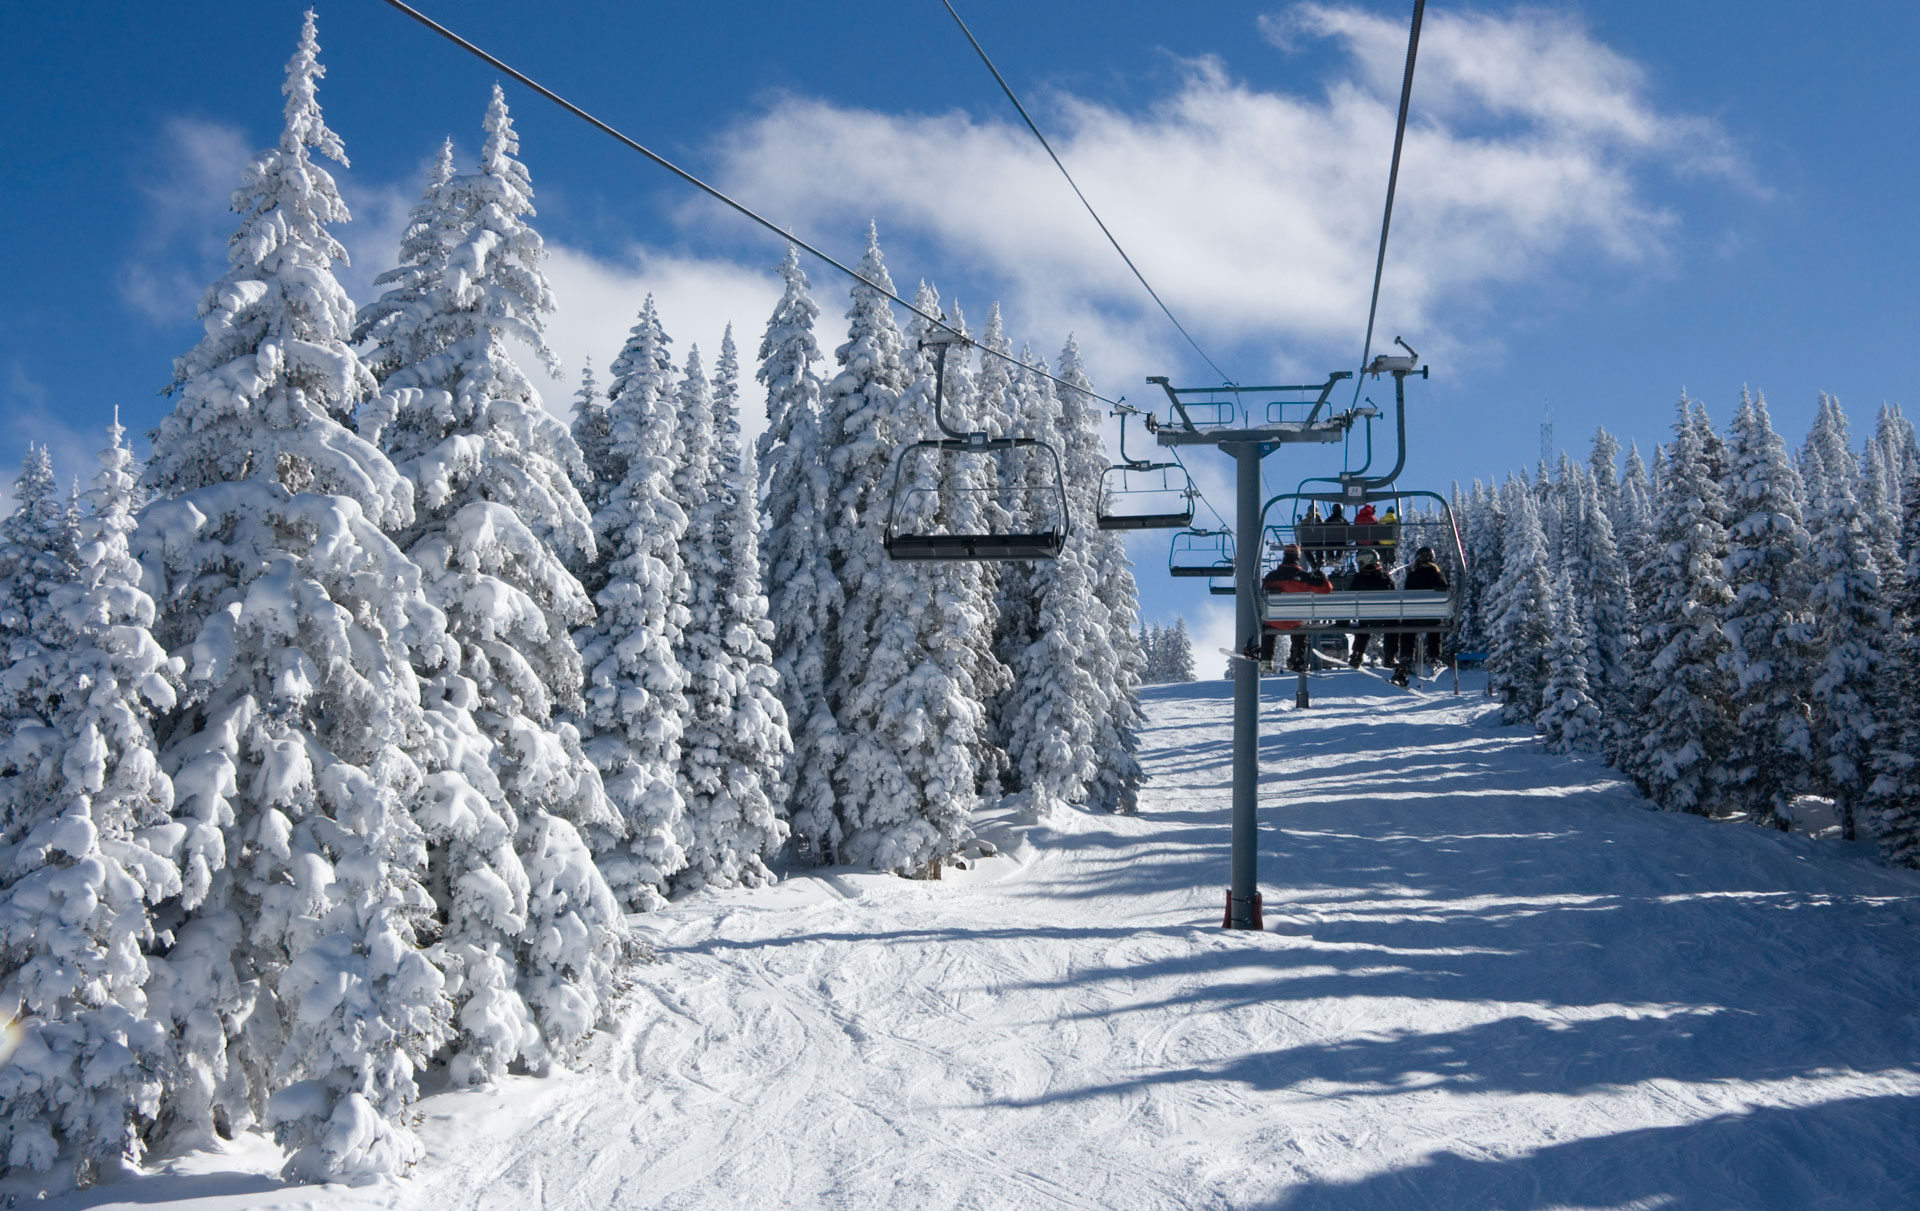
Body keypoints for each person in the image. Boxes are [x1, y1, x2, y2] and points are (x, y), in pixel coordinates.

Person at [1260, 544, 1331, 670]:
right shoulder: (1305, 577)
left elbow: (1262, 594)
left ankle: (1266, 659)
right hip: (1295, 621)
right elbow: (1326, 589)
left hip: (1274, 620)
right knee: (1301, 623)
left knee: (1267, 623)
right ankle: (1297, 658)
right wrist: (1321, 575)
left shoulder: (1271, 577)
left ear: (1284, 556)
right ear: (1298, 557)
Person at [1394, 544, 1451, 686]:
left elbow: (1408, 595)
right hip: (1432, 618)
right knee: (1435, 629)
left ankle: (1406, 658)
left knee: (1408, 632)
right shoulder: (1437, 575)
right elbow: (1444, 593)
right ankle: (1434, 657)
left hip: (1413, 618)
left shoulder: (1412, 575)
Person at [1345, 547, 1395, 668]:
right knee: (1393, 627)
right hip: (1384, 619)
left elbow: (1349, 598)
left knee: (1363, 628)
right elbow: (1393, 596)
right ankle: (1389, 656)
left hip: (1366, 619)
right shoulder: (1384, 579)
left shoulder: (1358, 580)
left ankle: (1357, 654)